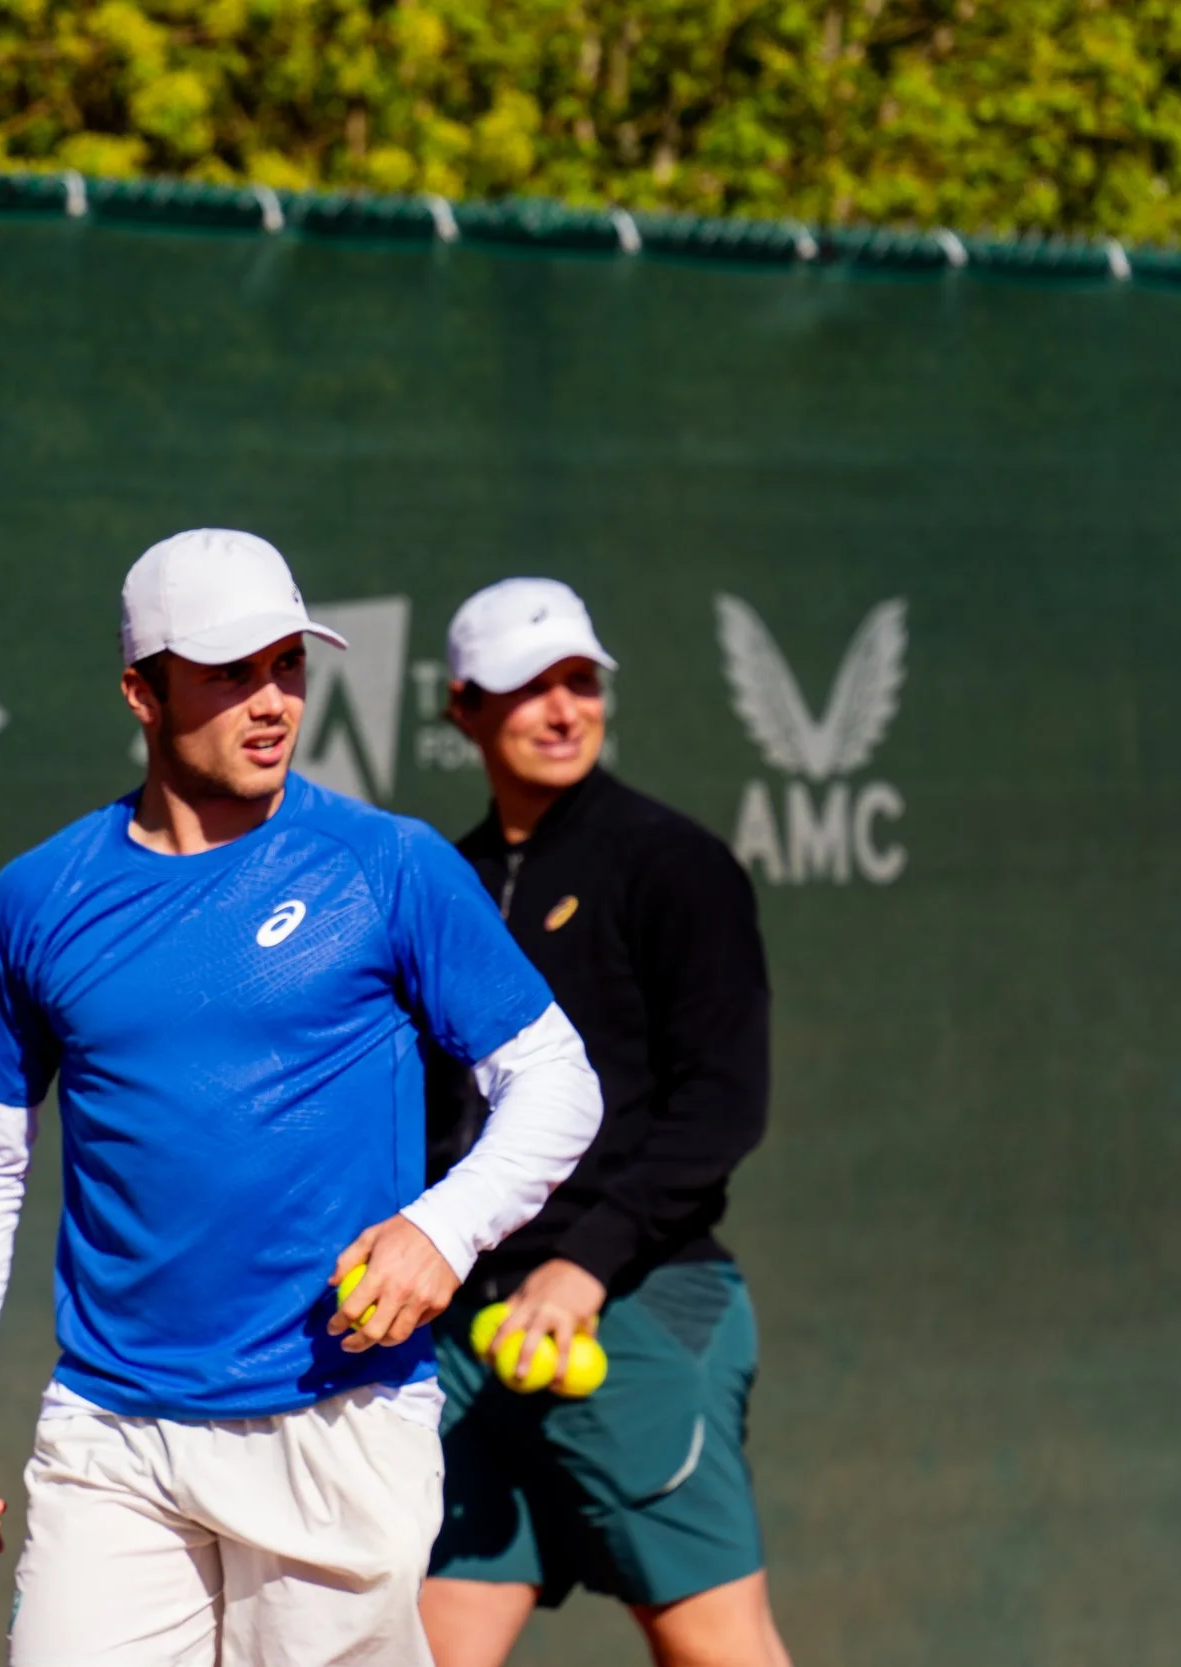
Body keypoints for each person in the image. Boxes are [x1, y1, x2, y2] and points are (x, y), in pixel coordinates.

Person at [0, 528, 607, 1666]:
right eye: (230, 671)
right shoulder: (35, 899)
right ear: (142, 689)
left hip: (339, 1423)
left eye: (288, 664)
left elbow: (556, 1082)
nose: (271, 700)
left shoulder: (389, 864)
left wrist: (442, 1224)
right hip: (110, 1433)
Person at [419, 577, 792, 1667]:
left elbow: (721, 1102)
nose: (561, 707)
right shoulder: (445, 882)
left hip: (630, 1309)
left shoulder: (672, 865)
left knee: (716, 1648)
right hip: (466, 1335)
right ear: (461, 709)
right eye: (526, 687)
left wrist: (584, 1263)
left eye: (579, 681)